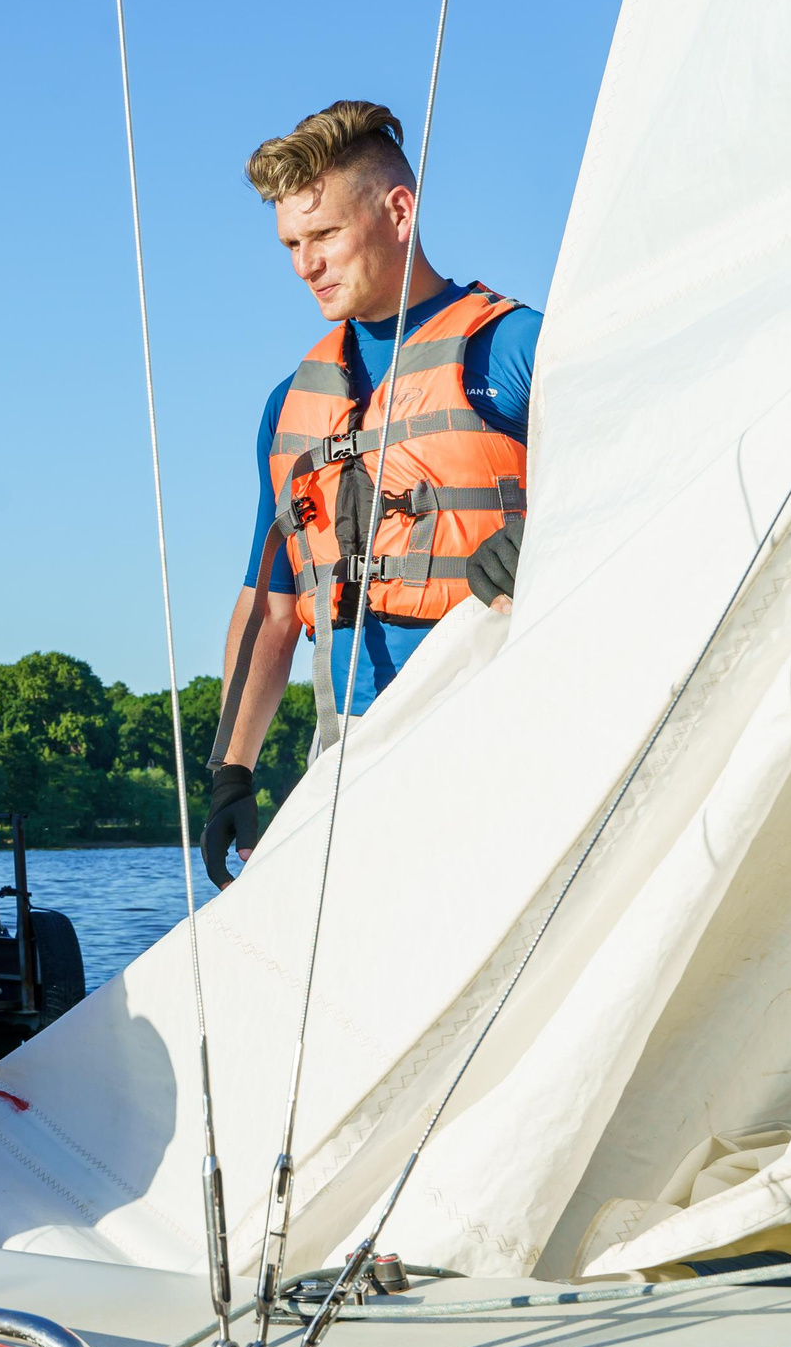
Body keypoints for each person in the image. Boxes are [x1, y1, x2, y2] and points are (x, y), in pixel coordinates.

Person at [204, 100, 543, 886]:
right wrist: (232, 773)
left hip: (500, 739)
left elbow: (642, 472)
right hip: (352, 760)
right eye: (291, 243)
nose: (304, 263)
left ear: (398, 210)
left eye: (323, 235)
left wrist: (550, 533)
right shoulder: (290, 406)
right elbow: (273, 608)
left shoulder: (517, 348)